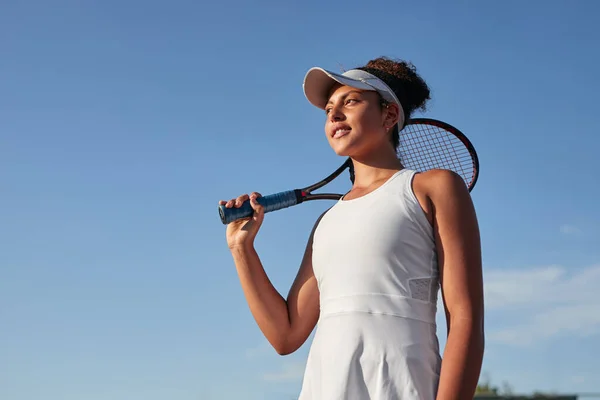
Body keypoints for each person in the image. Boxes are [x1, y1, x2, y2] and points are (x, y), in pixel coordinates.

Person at [218, 56, 484, 400]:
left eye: (351, 101)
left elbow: (465, 317)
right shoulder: (327, 222)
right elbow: (285, 336)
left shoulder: (435, 187)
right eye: (329, 108)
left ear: (389, 115)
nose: (334, 114)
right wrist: (242, 249)